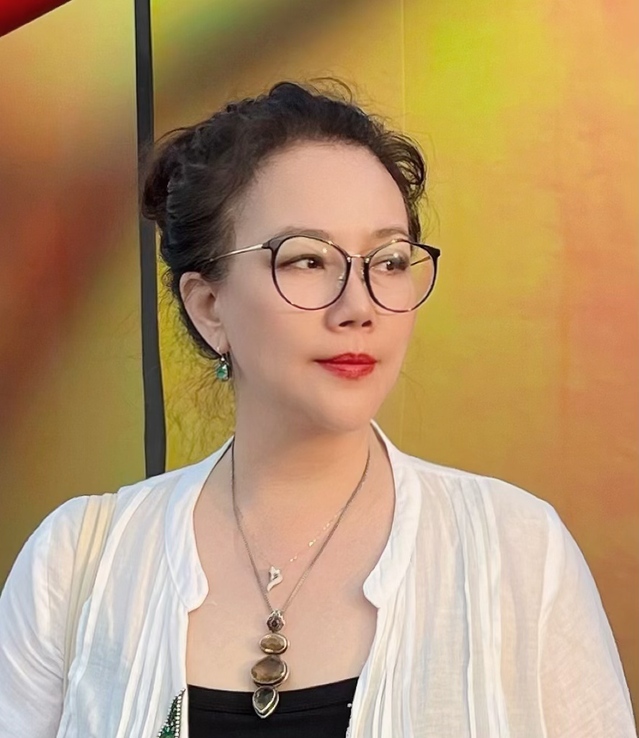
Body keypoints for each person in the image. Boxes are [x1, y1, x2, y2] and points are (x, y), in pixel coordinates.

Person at [0, 81, 635, 738]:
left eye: (389, 261)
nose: (359, 306)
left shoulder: (517, 553)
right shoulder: (77, 566)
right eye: (306, 259)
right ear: (209, 307)